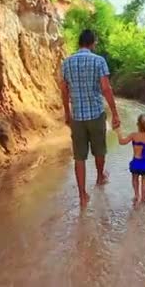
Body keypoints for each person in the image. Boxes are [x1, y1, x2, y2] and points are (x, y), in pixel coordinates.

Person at [60, 29, 121, 207]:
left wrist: (67, 112)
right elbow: (106, 88)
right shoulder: (98, 61)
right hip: (95, 114)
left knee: (79, 156)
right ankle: (100, 177)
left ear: (79, 43)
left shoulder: (66, 63)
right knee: (99, 149)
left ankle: (82, 195)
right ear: (93, 43)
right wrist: (115, 112)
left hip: (77, 117)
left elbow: (64, 90)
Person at [115, 114, 145, 203]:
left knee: (135, 179)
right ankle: (143, 200)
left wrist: (118, 132)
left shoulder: (134, 135)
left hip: (136, 162)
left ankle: (136, 195)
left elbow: (122, 142)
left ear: (138, 124)